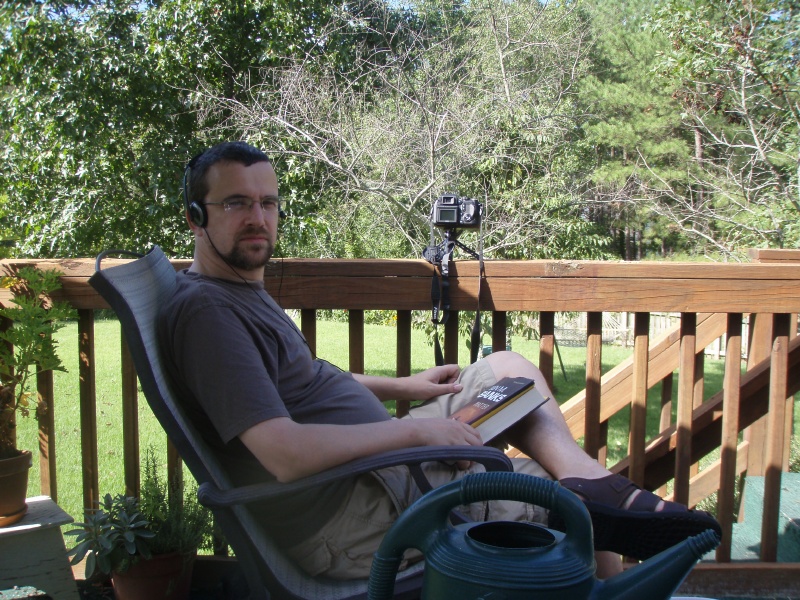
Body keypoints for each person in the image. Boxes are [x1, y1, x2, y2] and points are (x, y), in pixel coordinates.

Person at [158, 141, 720, 581]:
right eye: (236, 203)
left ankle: (592, 484)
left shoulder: (238, 290)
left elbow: (299, 380)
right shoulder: (208, 314)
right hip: (357, 510)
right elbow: (283, 454)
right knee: (564, 507)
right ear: (195, 217)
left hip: (381, 469)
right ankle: (597, 506)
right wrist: (414, 434)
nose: (257, 217)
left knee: (506, 370)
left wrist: (405, 386)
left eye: (267, 202)